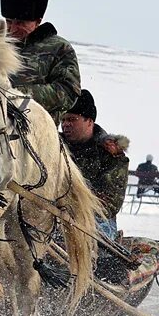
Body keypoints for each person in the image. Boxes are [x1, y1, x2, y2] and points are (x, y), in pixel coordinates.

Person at [1, 0, 81, 125]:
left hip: (37, 131)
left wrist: (16, 94)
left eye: (20, 23)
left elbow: (68, 92)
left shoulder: (59, 48)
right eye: (8, 21)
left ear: (38, 21)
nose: (12, 29)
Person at [60, 89, 130, 239]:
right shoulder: (53, 145)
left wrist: (69, 207)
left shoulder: (109, 153)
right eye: (63, 120)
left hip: (95, 221)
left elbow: (109, 204)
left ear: (90, 121)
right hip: (53, 214)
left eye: (72, 119)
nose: (65, 124)